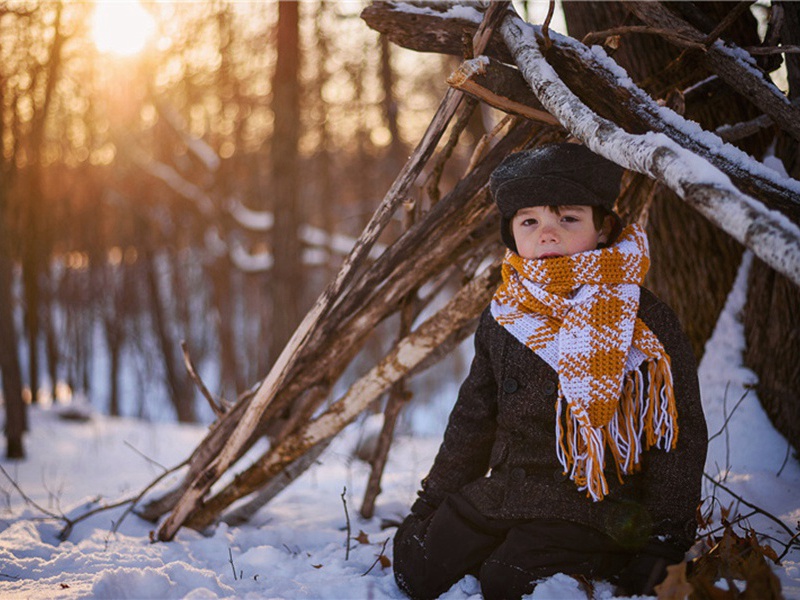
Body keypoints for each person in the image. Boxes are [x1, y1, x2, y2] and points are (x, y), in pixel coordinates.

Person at [392, 143, 708, 600]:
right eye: (530, 221)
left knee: (510, 581)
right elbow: (472, 420)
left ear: (603, 229)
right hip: (507, 491)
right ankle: (498, 548)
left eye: (568, 218)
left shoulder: (641, 318)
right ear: (512, 235)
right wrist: (433, 501)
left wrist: (665, 539)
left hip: (596, 505)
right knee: (419, 568)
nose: (548, 234)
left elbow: (678, 435)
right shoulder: (505, 313)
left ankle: (573, 562)